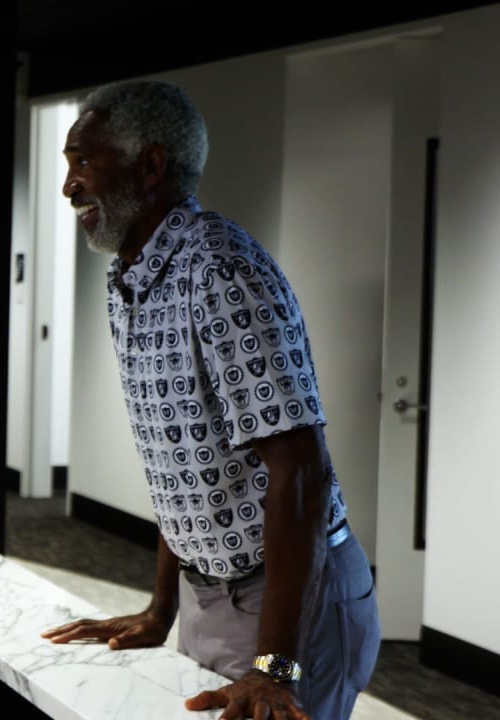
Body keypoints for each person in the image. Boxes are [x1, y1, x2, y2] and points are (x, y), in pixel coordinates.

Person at [39, 79, 380, 720]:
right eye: (68, 165)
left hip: (288, 607)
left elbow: (300, 472)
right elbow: (181, 466)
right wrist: (162, 608)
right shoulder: (129, 281)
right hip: (210, 599)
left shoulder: (221, 272)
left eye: (84, 161)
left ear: (150, 166)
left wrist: (274, 665)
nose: (70, 186)